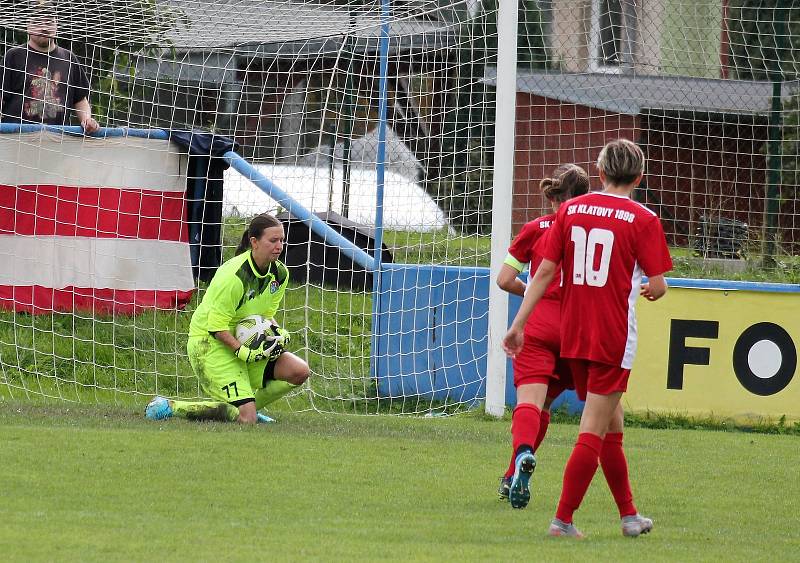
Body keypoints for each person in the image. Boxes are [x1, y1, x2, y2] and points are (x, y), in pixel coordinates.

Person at [503, 139, 672, 538]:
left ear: (600, 172)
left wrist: (518, 324)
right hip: (610, 337)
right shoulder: (643, 218)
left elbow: (542, 273)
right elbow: (659, 284)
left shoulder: (570, 210)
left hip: (574, 334)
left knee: (612, 426)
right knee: (593, 430)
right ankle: (562, 520)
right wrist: (652, 289)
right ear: (640, 176)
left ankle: (629, 516)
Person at [145, 213, 310, 424]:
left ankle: (245, 408)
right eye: (273, 240)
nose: (279, 246)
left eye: (282, 240)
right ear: (254, 242)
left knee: (299, 371)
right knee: (247, 419)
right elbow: (216, 327)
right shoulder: (234, 276)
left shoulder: (280, 274)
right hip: (209, 344)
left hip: (244, 344)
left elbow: (266, 316)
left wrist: (275, 335)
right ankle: (171, 407)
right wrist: (243, 352)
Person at [495, 164, 589, 509]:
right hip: (578, 328)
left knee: (529, 403)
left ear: (551, 197)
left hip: (540, 323)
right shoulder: (593, 231)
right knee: (549, 404)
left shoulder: (536, 228)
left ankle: (521, 456)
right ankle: (511, 474)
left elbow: (505, 279)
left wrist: (532, 295)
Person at [0, 10, 100, 133]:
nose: (43, 27)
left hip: (56, 141)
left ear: (56, 24)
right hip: (16, 139)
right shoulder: (14, 56)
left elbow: (80, 99)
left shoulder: (69, 59)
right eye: (37, 22)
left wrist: (87, 120)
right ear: (28, 25)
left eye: (49, 22)